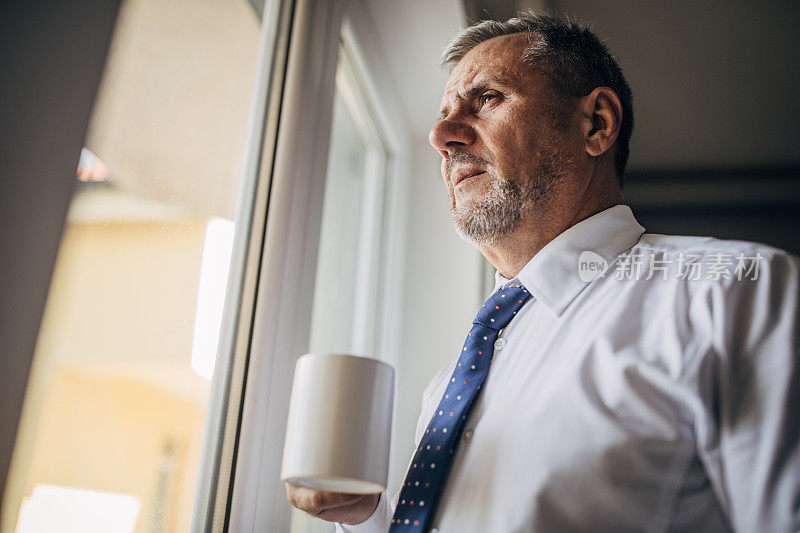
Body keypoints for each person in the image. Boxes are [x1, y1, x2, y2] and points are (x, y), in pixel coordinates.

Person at [286, 12, 800, 532]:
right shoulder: (449, 384)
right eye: (443, 113)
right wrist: (366, 518)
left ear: (596, 123)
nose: (441, 135)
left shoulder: (732, 293)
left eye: (487, 99)